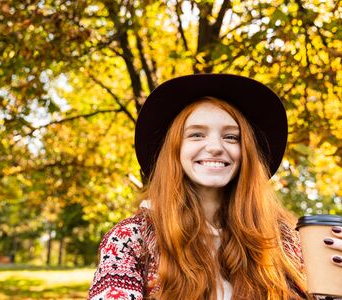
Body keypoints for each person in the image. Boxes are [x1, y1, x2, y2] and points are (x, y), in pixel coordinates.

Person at [88, 74, 342, 300]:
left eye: (231, 136)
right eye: (197, 134)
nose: (215, 147)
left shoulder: (282, 240)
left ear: (246, 152)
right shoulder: (130, 240)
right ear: (174, 150)